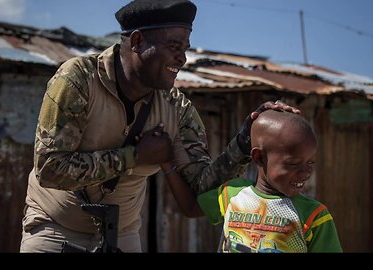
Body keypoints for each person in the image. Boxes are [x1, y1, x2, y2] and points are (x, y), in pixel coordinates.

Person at [19, 0, 299, 253]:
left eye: (185, 49)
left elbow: (200, 190)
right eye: (174, 47)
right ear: (138, 41)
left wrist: (243, 142)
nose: (183, 59)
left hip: (122, 236)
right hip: (55, 229)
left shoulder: (176, 108)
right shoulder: (79, 80)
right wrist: (134, 158)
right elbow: (50, 169)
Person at [161, 110, 342, 252]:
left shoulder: (314, 215)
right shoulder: (232, 194)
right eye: (293, 163)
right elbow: (190, 208)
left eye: (311, 162)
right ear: (259, 157)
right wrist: (167, 163)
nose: (306, 172)